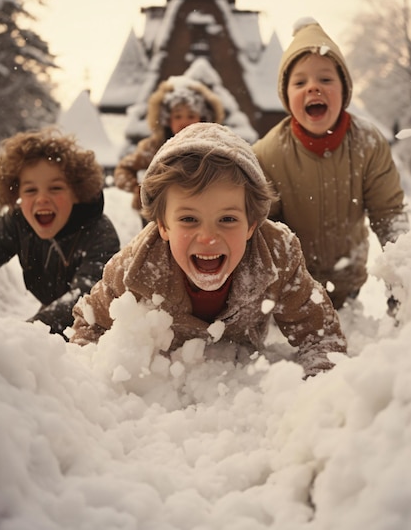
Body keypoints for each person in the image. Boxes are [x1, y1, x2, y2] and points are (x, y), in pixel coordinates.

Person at [70, 122, 347, 378]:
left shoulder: (277, 254)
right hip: (165, 397)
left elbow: (321, 336)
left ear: (252, 224)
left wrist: (317, 393)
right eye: (189, 219)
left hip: (241, 388)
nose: (208, 238)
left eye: (227, 219)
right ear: (163, 227)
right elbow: (89, 326)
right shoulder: (135, 269)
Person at [253, 17, 409, 310]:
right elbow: (263, 231)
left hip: (348, 285)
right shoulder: (268, 153)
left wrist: (403, 285)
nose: (313, 87)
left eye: (326, 79)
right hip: (290, 293)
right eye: (300, 82)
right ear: (287, 96)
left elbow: (389, 216)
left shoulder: (368, 144)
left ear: (344, 90)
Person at [0, 127, 120, 337]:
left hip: (95, 327)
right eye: (30, 190)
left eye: (55, 188)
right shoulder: (17, 223)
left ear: (77, 193)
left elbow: (85, 297)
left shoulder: (100, 234)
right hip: (52, 313)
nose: (42, 198)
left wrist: (25, 333)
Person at [113, 76, 224, 219]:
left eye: (191, 116)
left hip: (203, 214)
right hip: (158, 216)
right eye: (177, 116)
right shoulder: (154, 148)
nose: (184, 122)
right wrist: (140, 189)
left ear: (203, 118)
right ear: (167, 120)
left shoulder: (212, 147)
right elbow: (123, 170)